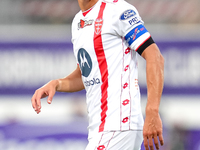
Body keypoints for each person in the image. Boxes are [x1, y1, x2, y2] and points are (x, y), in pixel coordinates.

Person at [31, 0, 164, 149]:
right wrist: (57, 84)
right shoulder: (78, 22)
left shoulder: (117, 10)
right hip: (99, 128)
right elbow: (87, 74)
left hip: (119, 124)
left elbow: (155, 56)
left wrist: (152, 111)